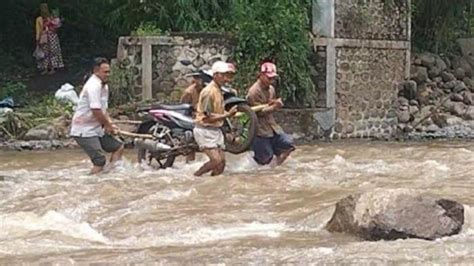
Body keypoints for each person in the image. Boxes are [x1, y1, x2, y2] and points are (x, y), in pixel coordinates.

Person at [70, 58, 124, 174]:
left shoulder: (104, 86)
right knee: (99, 161)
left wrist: (110, 124)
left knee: (118, 147)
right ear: (96, 71)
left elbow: (103, 110)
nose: (108, 75)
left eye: (109, 72)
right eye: (105, 72)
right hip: (84, 130)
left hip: (96, 128)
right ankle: (90, 183)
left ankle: (112, 175)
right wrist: (107, 125)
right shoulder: (93, 86)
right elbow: (96, 110)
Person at [193, 61, 238, 176]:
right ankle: (196, 177)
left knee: (221, 164)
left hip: (216, 129)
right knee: (216, 160)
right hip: (205, 129)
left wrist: (229, 114)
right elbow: (207, 117)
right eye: (222, 75)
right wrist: (227, 115)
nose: (225, 78)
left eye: (225, 75)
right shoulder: (209, 92)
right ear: (215, 75)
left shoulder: (219, 90)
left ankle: (212, 183)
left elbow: (218, 110)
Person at [246, 62, 295, 166]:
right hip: (260, 131)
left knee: (288, 144)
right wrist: (274, 107)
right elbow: (257, 112)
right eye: (269, 78)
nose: (271, 81)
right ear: (261, 75)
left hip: (272, 128)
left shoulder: (271, 89)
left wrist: (274, 103)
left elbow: (269, 102)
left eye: (272, 78)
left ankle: (276, 167)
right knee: (264, 160)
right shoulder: (253, 92)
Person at [180, 72, 206, 163]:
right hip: (192, 118)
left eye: (201, 79)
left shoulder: (206, 90)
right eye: (197, 79)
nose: (199, 82)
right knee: (191, 142)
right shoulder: (189, 92)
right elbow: (183, 108)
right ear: (194, 81)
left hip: (204, 116)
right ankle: (189, 164)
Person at [35, 3, 64, 75]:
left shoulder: (51, 17)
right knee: (45, 52)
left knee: (53, 52)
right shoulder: (39, 19)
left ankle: (53, 68)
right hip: (44, 37)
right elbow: (38, 30)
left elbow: (56, 27)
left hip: (52, 36)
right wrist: (38, 39)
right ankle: (45, 68)